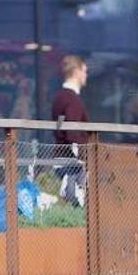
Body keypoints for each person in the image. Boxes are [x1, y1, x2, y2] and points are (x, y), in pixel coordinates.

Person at [50, 54, 92, 206]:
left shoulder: (60, 97)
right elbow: (71, 133)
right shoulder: (71, 99)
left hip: (64, 159)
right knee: (78, 202)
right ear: (76, 71)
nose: (86, 75)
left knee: (74, 202)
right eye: (85, 71)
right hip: (73, 163)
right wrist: (86, 156)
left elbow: (62, 129)